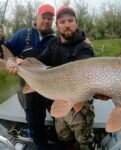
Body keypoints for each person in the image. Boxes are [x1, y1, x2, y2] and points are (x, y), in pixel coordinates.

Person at [37, 6, 96, 150]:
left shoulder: (84, 47)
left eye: (70, 20)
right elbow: (41, 62)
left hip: (80, 100)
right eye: (62, 21)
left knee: (83, 138)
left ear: (76, 23)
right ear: (57, 26)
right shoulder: (53, 44)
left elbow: (86, 70)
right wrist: (22, 62)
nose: (67, 24)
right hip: (60, 98)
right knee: (63, 136)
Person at [4, 4, 56, 150]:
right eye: (43, 17)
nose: (46, 21)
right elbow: (7, 50)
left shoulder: (56, 39)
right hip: (28, 86)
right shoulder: (23, 34)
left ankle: (58, 139)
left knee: (59, 117)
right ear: (36, 17)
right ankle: (41, 146)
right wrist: (12, 61)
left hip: (50, 87)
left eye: (49, 19)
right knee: (34, 121)